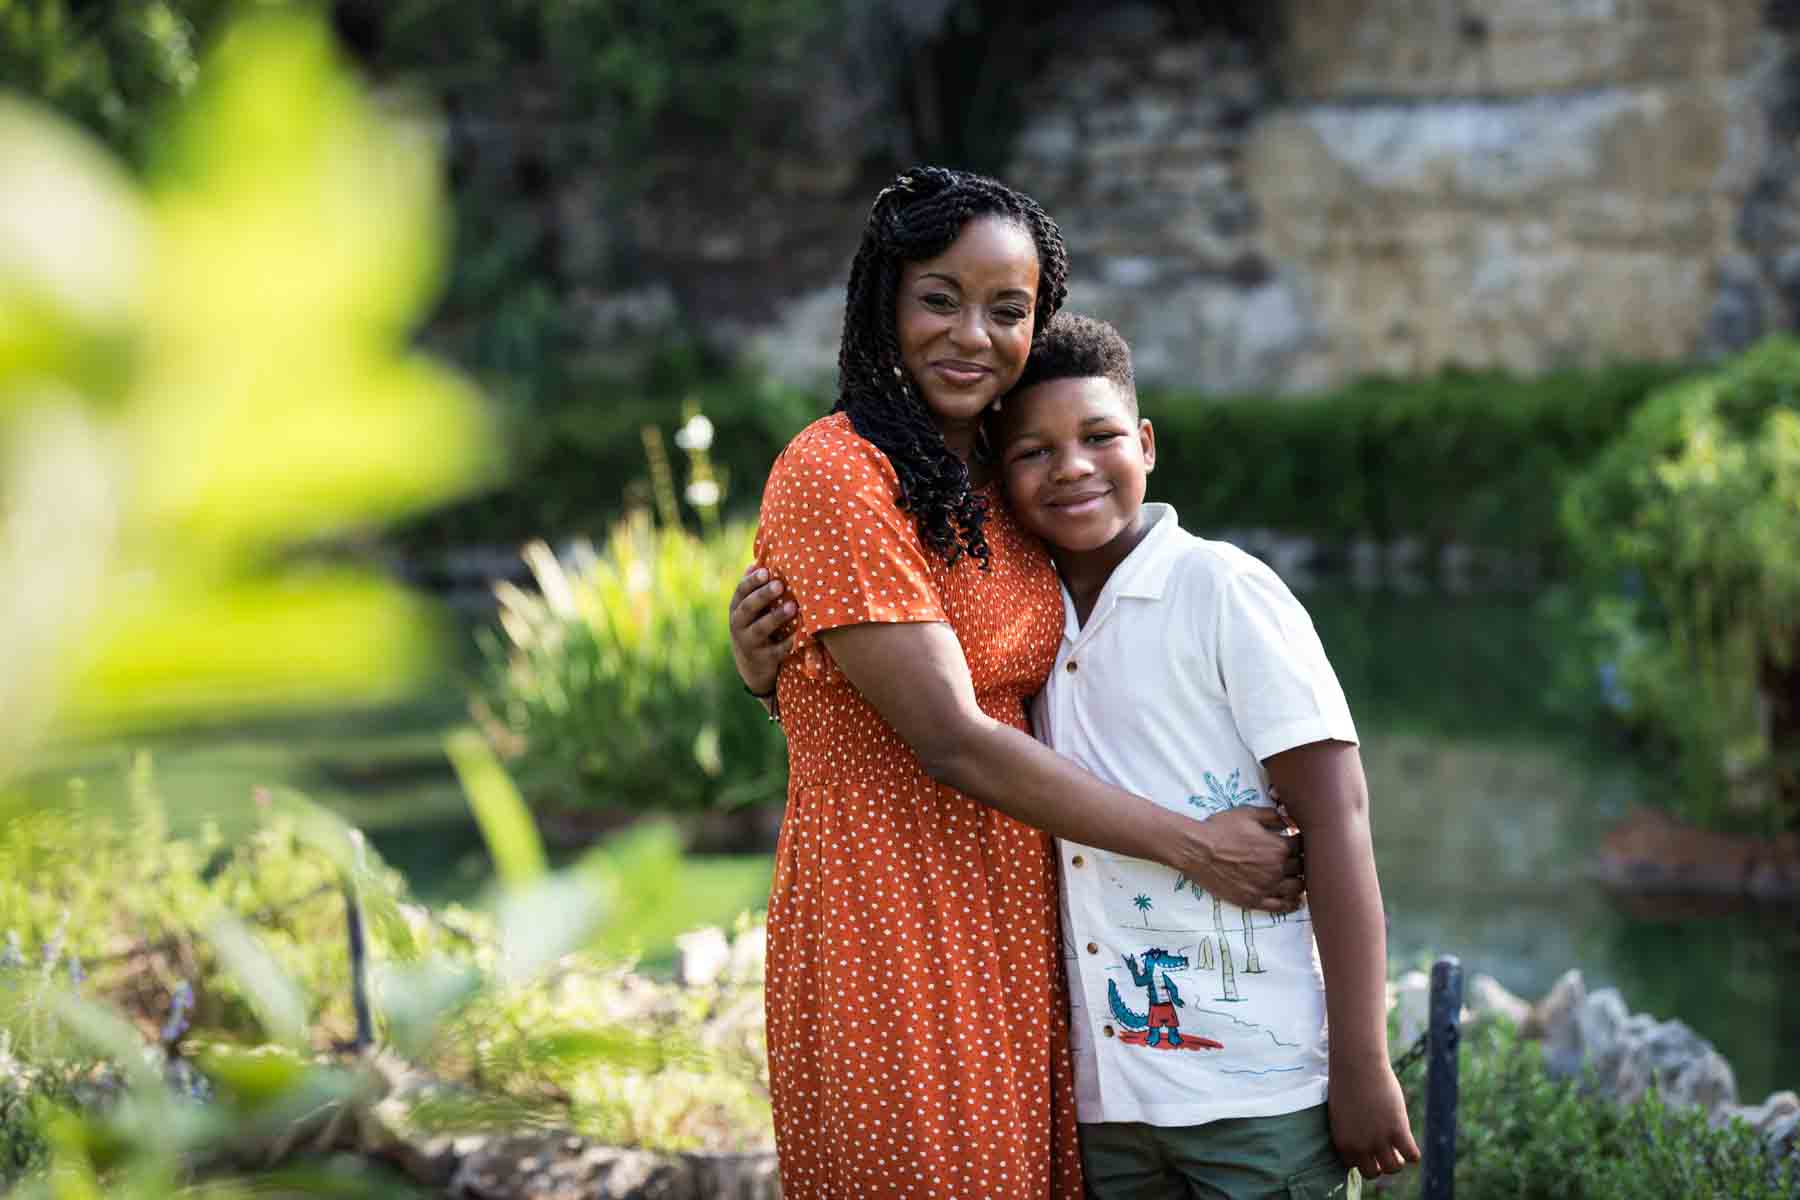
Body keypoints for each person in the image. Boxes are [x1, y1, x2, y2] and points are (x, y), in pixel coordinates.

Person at [735, 312, 1420, 1197]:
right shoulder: (1018, 621)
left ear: (1145, 443)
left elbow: (1341, 822)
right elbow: (910, 727)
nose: (1071, 468)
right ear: (995, 479)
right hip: (1102, 1103)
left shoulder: (1224, 591)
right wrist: (770, 677)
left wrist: (1362, 1063)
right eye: (1031, 453)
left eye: (1099, 437)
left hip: (1257, 1087)